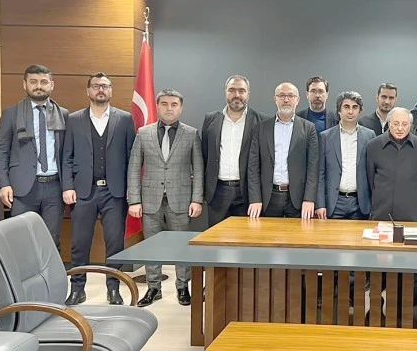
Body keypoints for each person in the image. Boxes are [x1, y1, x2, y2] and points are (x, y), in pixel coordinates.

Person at [62, 72, 136, 306]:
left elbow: (132, 159)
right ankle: (77, 289)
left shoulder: (125, 119)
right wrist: (67, 186)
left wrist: (131, 192)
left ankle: (113, 289)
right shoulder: (74, 119)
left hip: (115, 192)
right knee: (80, 243)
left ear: (111, 90)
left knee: (115, 243)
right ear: (88, 91)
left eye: (105, 86)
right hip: (83, 191)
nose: (100, 90)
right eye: (96, 86)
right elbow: (67, 156)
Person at [127, 89, 203, 307]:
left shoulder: (191, 134)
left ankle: (183, 287)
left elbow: (198, 169)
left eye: (174, 104)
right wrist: (134, 200)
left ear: (181, 108)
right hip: (149, 200)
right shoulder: (143, 133)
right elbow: (134, 168)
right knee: (152, 246)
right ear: (157, 106)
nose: (169, 108)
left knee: (182, 246)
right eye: (164, 104)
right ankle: (153, 287)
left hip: (181, 199)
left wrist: (197, 199)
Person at [0, 64, 69, 247]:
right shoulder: (11, 114)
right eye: (33, 82)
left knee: (51, 241)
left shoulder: (63, 114)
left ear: (51, 85)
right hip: (23, 188)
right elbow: (1, 151)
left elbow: (68, 153)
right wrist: (3, 184)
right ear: (25, 84)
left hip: (54, 187)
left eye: (43, 82)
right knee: (22, 242)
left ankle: (51, 268)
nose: (38, 86)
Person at [202, 75, 267, 226]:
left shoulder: (261, 121)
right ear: (225, 92)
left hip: (248, 194)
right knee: (216, 237)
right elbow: (205, 155)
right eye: (232, 90)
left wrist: (257, 196)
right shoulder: (211, 119)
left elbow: (264, 161)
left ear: (248, 94)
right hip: (218, 192)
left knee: (247, 237)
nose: (237, 95)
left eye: (241, 91)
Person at [247, 82, 319, 219]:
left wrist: (309, 199)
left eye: (291, 96)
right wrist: (255, 198)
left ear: (297, 100)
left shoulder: (308, 129)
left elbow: (313, 167)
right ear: (275, 99)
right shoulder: (261, 128)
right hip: (268, 198)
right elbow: (253, 166)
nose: (286, 100)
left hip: (297, 199)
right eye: (281, 96)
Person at [316, 91, 375, 219]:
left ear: (360, 111)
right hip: (334, 202)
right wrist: (320, 204)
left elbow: (373, 172)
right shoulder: (325, 137)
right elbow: (320, 173)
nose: (350, 111)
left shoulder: (369, 136)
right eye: (346, 107)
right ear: (339, 110)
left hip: (360, 203)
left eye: (355, 107)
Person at [366, 107, 417, 222]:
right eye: (396, 124)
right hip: (381, 211)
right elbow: (370, 179)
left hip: (411, 212)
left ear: (410, 125)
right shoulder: (373, 146)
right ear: (389, 124)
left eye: (404, 124)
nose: (400, 128)